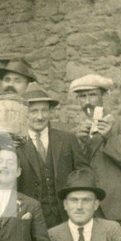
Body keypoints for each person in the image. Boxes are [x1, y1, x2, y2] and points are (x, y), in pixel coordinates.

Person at [69, 74, 121, 241]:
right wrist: (77, 142)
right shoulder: (74, 132)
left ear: (104, 96)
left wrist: (110, 137)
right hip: (86, 206)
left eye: (92, 95)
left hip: (117, 206)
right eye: (82, 96)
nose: (88, 101)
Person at [18, 85, 88, 229]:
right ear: (24, 113)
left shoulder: (67, 139)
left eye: (44, 110)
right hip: (28, 220)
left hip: (64, 218)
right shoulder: (16, 144)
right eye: (33, 111)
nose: (40, 117)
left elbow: (84, 173)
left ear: (50, 112)